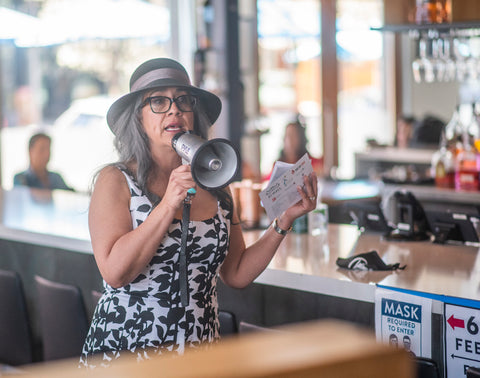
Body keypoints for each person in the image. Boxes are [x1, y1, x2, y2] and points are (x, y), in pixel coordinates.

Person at [79, 58, 317, 366]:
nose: (174, 109)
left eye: (183, 100)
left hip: (199, 348)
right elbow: (115, 272)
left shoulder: (216, 182)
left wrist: (282, 222)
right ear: (137, 117)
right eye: (158, 101)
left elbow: (236, 273)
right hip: (130, 348)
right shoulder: (115, 180)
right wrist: (169, 201)